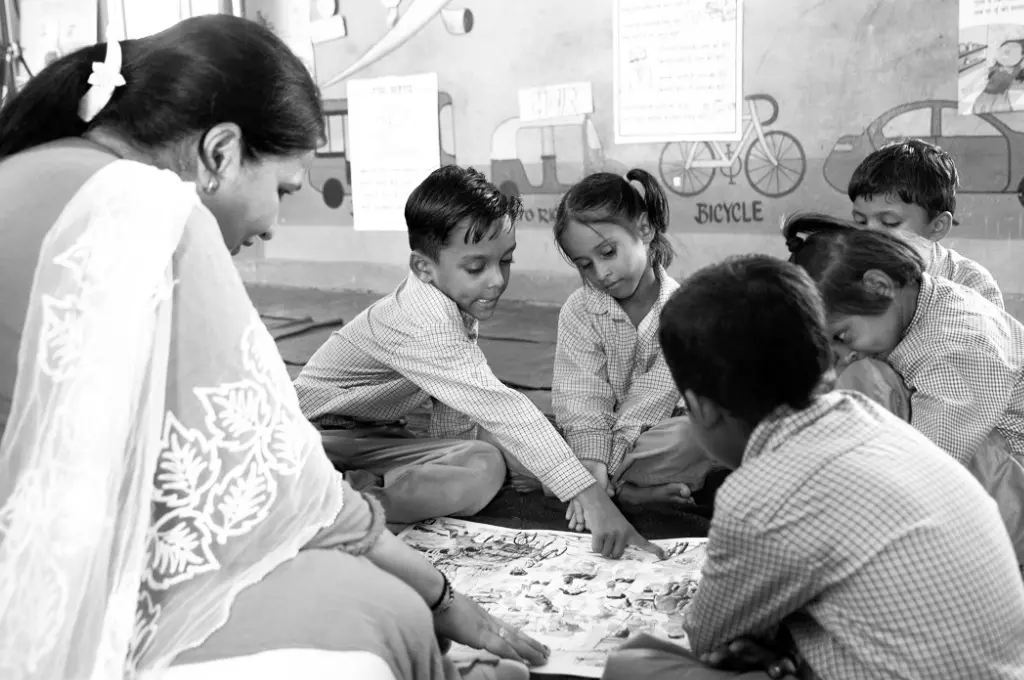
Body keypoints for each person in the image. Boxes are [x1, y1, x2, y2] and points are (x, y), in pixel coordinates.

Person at [0, 16, 549, 680]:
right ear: (220, 153)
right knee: (380, 607)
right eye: (285, 190)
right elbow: (302, 492)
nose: (271, 226)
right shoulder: (153, 211)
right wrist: (440, 596)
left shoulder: (26, 165)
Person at [603, 255, 1024, 680]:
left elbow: (709, 637)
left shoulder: (759, 492)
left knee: (632, 666)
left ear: (699, 409)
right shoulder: (865, 413)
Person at [295, 165, 662, 558]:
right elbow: (500, 406)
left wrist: (562, 476)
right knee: (499, 456)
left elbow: (459, 416)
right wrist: (589, 496)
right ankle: (348, 515)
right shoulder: (422, 322)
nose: (497, 280)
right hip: (315, 440)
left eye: (505, 261)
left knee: (486, 460)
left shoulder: (452, 298)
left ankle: (356, 492)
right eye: (476, 267)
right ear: (424, 266)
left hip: (381, 437)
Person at [788, 226, 1024, 567]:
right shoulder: (920, 306)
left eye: (842, 335)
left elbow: (933, 465)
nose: (844, 352)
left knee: (865, 381)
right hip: (990, 475)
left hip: (1013, 502)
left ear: (879, 287)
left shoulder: (953, 346)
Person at [550, 169, 715, 524]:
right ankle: (626, 492)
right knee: (532, 440)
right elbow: (581, 399)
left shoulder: (685, 312)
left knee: (698, 436)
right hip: (594, 443)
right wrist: (591, 462)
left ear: (644, 229)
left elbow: (652, 401)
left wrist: (595, 478)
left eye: (608, 252)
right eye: (585, 265)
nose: (600, 273)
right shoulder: (579, 311)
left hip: (649, 440)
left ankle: (611, 489)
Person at [847, 138, 1003, 308]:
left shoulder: (970, 284)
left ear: (937, 227)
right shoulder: (845, 271)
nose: (870, 235)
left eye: (890, 222)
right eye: (860, 222)